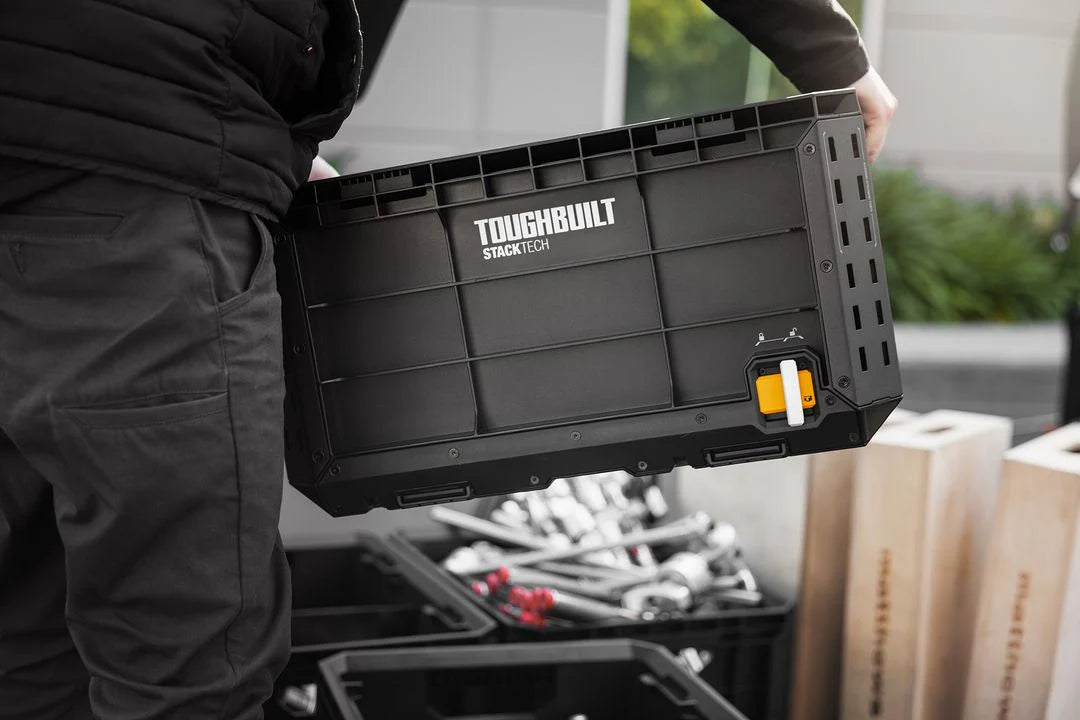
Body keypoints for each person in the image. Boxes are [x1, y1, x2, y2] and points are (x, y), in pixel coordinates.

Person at [0, 1, 896, 718]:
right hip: (139, 182)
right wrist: (828, 52)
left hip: (79, 153)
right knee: (189, 669)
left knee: (34, 638)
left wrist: (274, 144)